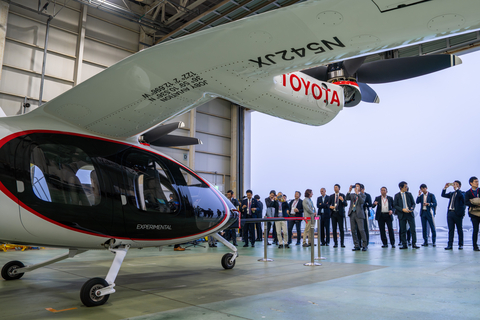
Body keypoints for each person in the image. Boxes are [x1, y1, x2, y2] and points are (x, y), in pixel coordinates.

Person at [394, 181, 419, 249]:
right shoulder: (397, 195)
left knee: (413, 229)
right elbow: (395, 205)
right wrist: (402, 209)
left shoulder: (409, 194)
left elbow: (413, 203)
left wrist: (412, 208)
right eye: (405, 187)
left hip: (410, 214)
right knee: (403, 230)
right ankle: (404, 244)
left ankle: (414, 243)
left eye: (407, 186)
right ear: (401, 187)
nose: (406, 188)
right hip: (402, 214)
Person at [441, 181, 465, 250]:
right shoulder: (451, 193)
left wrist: (457, 189)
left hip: (458, 213)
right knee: (451, 230)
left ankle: (460, 244)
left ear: (459, 186)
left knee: (459, 229)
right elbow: (443, 195)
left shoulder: (462, 193)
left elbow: (462, 198)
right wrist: (445, 188)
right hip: (450, 213)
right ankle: (450, 245)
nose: (454, 186)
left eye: (456, 185)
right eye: (454, 184)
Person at [347, 183, 367, 251]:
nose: (356, 187)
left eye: (358, 186)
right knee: (353, 230)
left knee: (361, 230)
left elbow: (362, 202)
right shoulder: (352, 195)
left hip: (359, 214)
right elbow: (346, 198)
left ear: (360, 188)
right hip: (352, 213)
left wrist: (358, 193)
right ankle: (356, 245)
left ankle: (364, 245)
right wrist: (349, 190)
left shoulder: (362, 195)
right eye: (355, 186)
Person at [464, 176, 480, 251]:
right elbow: (466, 202)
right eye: (475, 182)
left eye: (478, 181)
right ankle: (475, 246)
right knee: (475, 230)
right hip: (473, 214)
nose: (477, 183)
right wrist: (476, 203)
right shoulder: (467, 193)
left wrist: (473, 201)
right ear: (471, 183)